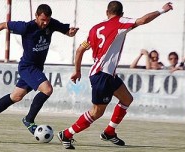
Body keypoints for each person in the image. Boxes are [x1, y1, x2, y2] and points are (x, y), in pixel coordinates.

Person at [58, 1, 173, 149]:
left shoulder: (95, 29)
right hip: (102, 75)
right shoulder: (121, 22)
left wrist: (77, 70)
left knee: (127, 99)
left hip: (106, 74)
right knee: (96, 113)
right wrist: (162, 10)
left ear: (107, 12)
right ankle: (66, 134)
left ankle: (109, 132)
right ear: (122, 14)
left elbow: (80, 50)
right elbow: (142, 20)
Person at [0, 4, 79, 136]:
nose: (45, 23)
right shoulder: (26, 27)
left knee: (16, 96)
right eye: (42, 20)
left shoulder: (51, 24)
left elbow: (67, 32)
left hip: (36, 68)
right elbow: (3, 25)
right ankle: (28, 119)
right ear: (36, 16)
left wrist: (71, 33)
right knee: (47, 89)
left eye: (47, 20)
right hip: (27, 67)